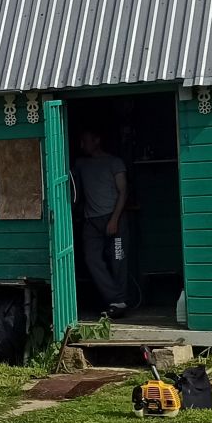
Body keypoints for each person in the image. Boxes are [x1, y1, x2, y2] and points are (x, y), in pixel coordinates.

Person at [73, 127, 130, 315]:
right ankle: (116, 300)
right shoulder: (81, 164)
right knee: (92, 260)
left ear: (96, 140)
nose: (82, 145)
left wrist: (114, 219)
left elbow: (123, 192)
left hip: (115, 218)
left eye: (85, 141)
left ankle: (120, 302)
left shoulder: (114, 162)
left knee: (118, 260)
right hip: (91, 221)